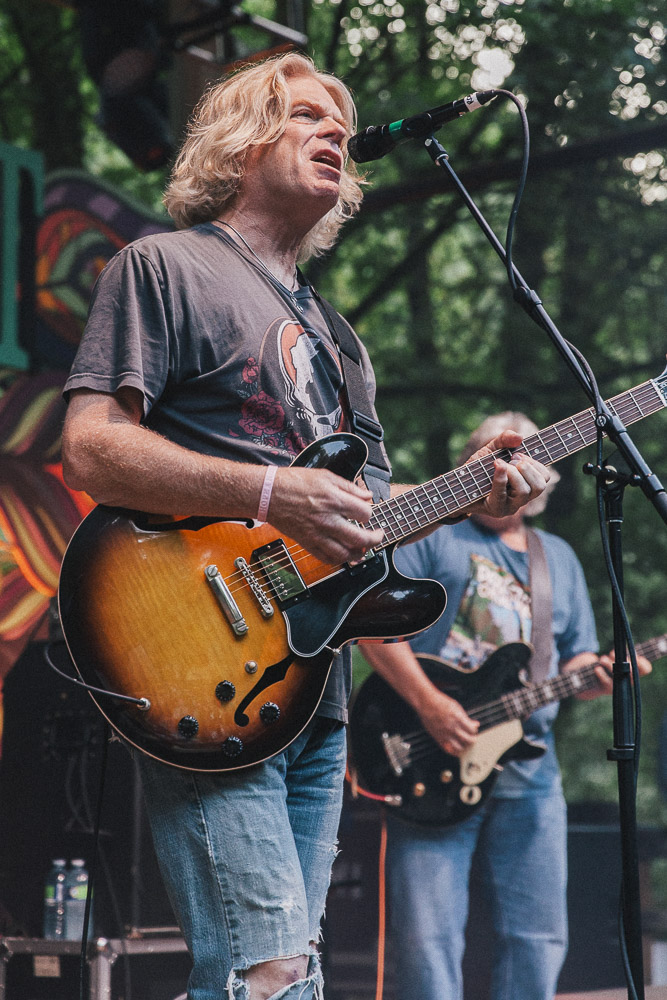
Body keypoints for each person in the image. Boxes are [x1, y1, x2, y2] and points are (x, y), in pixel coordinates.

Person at [60, 55, 550, 1000]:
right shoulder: (166, 266)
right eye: (304, 114)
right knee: (272, 969)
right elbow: (88, 449)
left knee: (269, 969)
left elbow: (363, 506)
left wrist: (473, 493)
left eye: (341, 120)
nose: (335, 131)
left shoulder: (338, 338)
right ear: (241, 140)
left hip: (311, 677)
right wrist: (267, 494)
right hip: (197, 652)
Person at [360, 411, 651, 1000]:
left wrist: (598, 678)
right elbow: (371, 627)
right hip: (426, 754)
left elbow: (573, 662)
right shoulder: (436, 534)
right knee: (427, 938)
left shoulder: (558, 559)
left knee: (539, 935)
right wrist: (431, 704)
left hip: (529, 768)